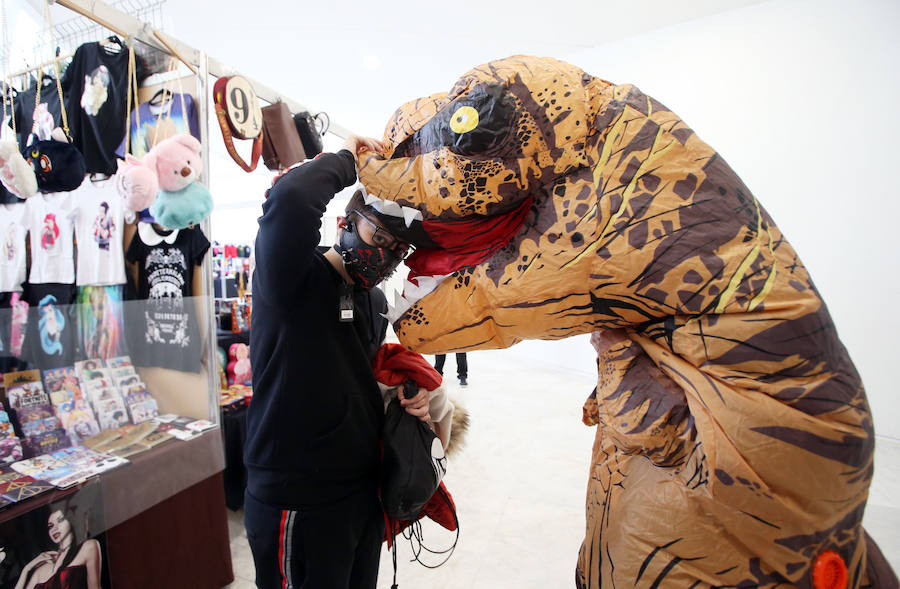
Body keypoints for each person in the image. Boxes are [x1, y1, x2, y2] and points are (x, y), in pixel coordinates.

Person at [245, 134, 430, 589]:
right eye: (378, 236)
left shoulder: (372, 302)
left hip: (360, 493)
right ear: (345, 223)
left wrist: (405, 399)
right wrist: (351, 159)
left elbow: (352, 379)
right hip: (296, 496)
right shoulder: (290, 277)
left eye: (398, 249)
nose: (386, 255)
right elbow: (290, 199)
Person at [14, 506, 102, 589]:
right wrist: (26, 569)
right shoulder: (42, 569)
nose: (54, 529)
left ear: (71, 521)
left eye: (60, 520)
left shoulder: (88, 547)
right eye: (51, 526)